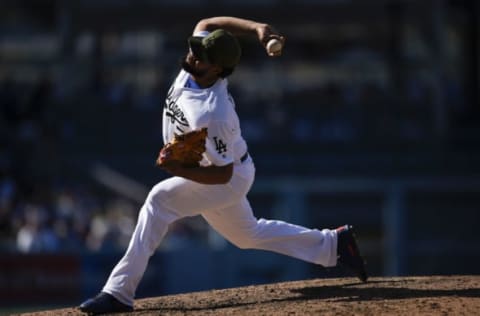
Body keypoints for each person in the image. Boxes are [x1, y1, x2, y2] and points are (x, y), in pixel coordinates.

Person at [79, 16, 368, 314]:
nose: (192, 54)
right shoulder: (195, 68)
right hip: (224, 168)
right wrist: (256, 28)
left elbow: (223, 174)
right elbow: (208, 21)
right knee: (247, 235)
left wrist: (179, 170)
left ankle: (118, 293)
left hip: (227, 178)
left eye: (201, 55)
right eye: (195, 49)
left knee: (159, 201)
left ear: (216, 68)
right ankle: (334, 244)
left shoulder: (212, 113)